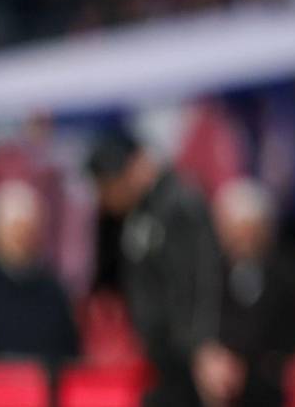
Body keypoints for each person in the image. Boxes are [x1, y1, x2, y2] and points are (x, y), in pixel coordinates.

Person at [85, 130, 232, 407]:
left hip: (187, 354)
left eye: (107, 186)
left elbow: (201, 277)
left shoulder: (179, 203)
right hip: (162, 354)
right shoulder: (139, 211)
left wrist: (203, 345)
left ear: (131, 170)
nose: (105, 199)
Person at [0, 180, 80, 364]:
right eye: (16, 232)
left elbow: (68, 354)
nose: (23, 240)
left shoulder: (53, 292)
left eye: (29, 231)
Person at [210, 178, 295, 407]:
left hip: (270, 381)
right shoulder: (210, 274)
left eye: (251, 230)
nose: (244, 239)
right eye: (236, 231)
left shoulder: (287, 274)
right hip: (220, 377)